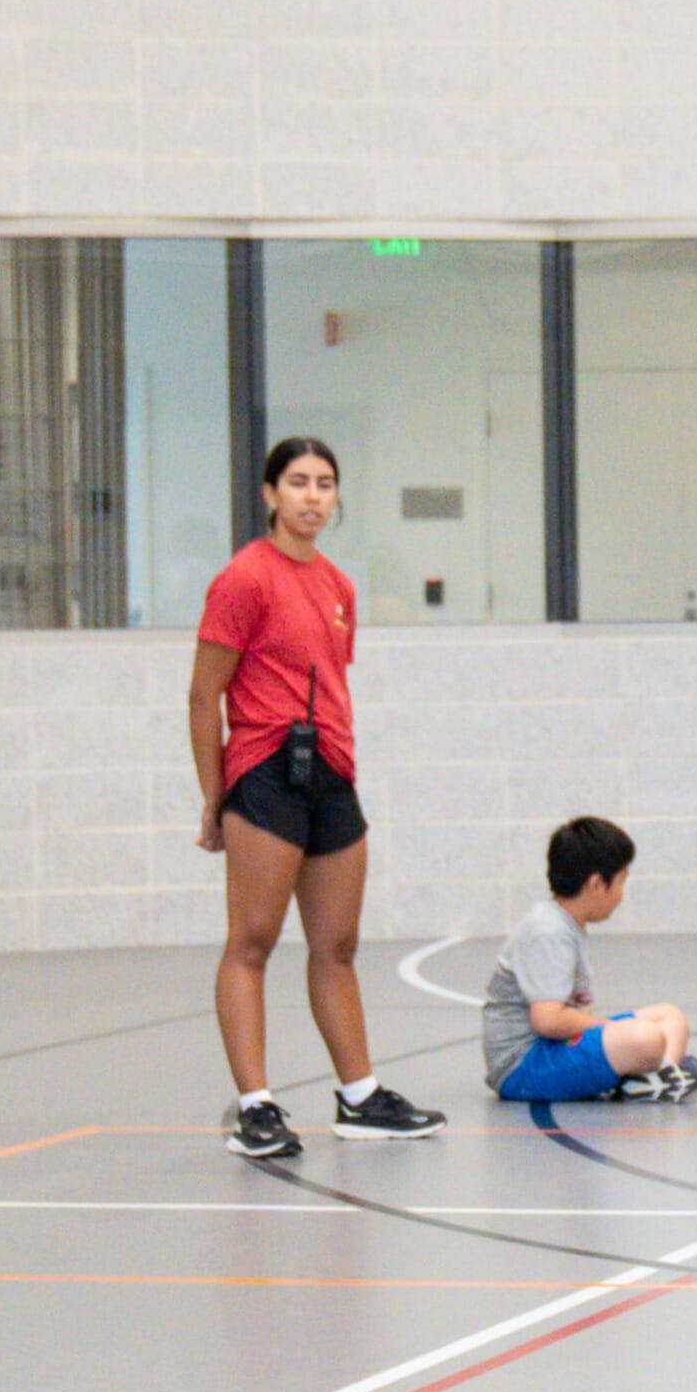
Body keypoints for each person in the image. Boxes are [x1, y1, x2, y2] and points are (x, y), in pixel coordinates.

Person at [192, 436, 443, 1156]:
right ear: (270, 494)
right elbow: (202, 693)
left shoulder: (338, 586)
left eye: (324, 484)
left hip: (330, 771)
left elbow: (329, 680)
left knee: (335, 945)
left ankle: (359, 1095)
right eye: (297, 482)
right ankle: (256, 1105)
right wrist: (216, 794)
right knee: (253, 941)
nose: (311, 496)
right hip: (264, 771)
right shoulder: (243, 579)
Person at [483, 816, 696, 1106]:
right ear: (597, 884)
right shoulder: (549, 930)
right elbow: (548, 1020)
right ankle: (649, 1076)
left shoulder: (564, 922)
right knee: (645, 1037)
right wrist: (610, 1028)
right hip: (524, 1066)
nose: (622, 896)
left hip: (550, 1050)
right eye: (621, 882)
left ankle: (656, 1077)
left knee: (670, 1016)